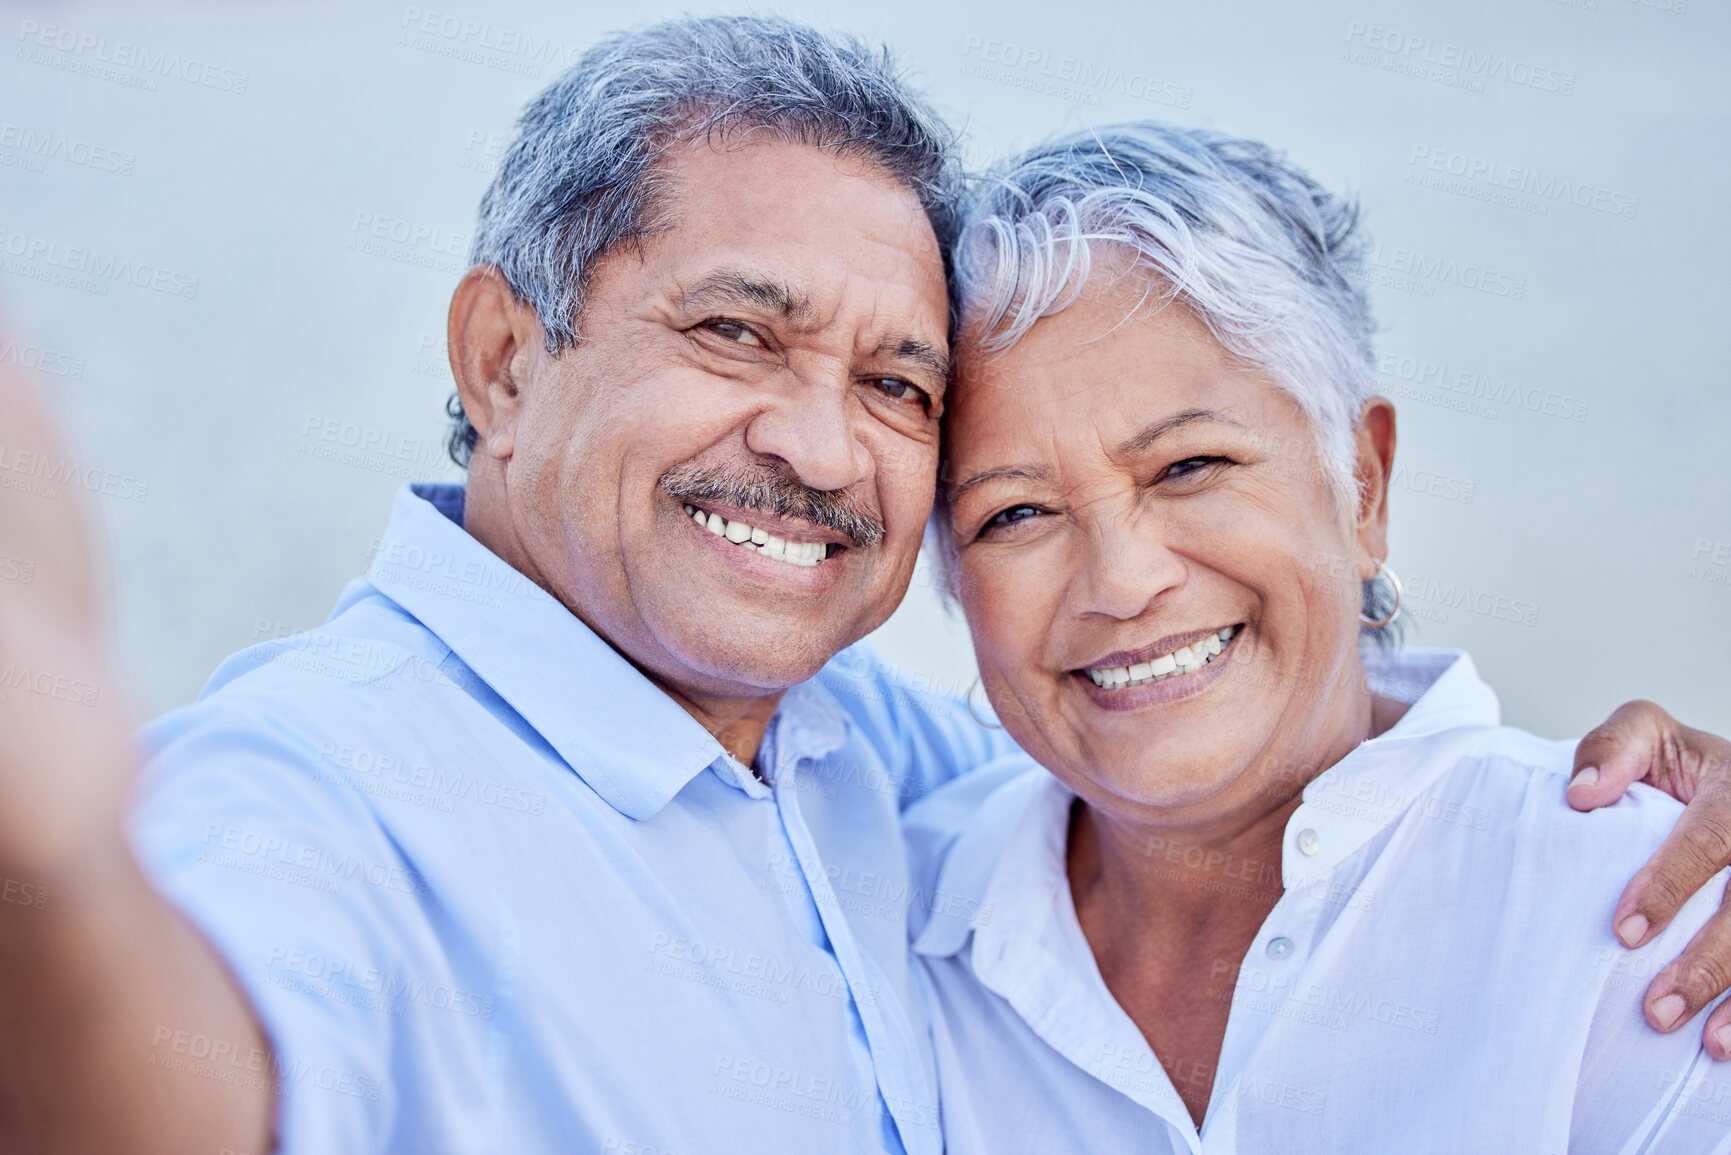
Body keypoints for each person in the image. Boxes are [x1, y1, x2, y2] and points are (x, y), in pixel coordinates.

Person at [0, 17, 1727, 1155]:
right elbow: (178, 1091)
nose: (822, 451)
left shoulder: (873, 772)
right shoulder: (304, 784)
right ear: (504, 354)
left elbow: (1177, 731)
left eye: (898, 386)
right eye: (735, 331)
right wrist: (63, 875)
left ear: (1363, 479)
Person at [906, 120, 1731, 1153]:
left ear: (1364, 488)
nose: (1120, 584)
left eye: (1188, 467)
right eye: (1014, 515)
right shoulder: (889, 917)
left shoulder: (1648, 915)